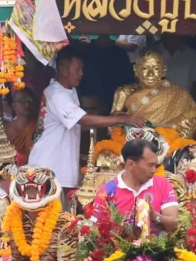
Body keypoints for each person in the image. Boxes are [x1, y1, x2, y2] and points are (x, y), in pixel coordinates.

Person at [27, 47, 145, 208]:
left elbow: (76, 124)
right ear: (63, 69)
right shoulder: (56, 94)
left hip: (60, 168)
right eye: (77, 69)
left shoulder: (69, 91)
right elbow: (83, 120)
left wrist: (111, 118)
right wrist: (121, 120)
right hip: (50, 167)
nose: (81, 74)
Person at [110, 47, 196, 140]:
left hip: (169, 143)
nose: (150, 74)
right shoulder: (125, 92)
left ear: (163, 71)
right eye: (145, 68)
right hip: (133, 142)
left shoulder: (180, 94)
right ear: (136, 69)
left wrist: (166, 141)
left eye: (156, 68)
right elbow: (112, 126)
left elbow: (187, 126)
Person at [92, 139, 180, 236]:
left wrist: (155, 216)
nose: (154, 170)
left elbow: (175, 224)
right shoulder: (106, 191)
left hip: (158, 245)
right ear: (131, 164)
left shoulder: (163, 184)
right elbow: (95, 231)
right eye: (150, 165)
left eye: (156, 165)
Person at [1, 87, 38, 162]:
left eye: (30, 100)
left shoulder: (39, 127)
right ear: (14, 106)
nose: (27, 104)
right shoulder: (6, 130)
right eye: (22, 101)